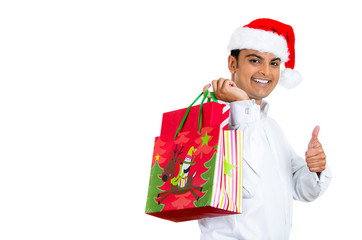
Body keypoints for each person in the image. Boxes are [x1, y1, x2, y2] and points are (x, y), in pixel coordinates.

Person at [198, 18, 332, 240]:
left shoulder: (270, 126)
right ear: (233, 64)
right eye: (255, 60)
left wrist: (315, 169)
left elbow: (299, 188)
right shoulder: (213, 118)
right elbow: (242, 187)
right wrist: (242, 104)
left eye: (274, 63)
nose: (266, 72)